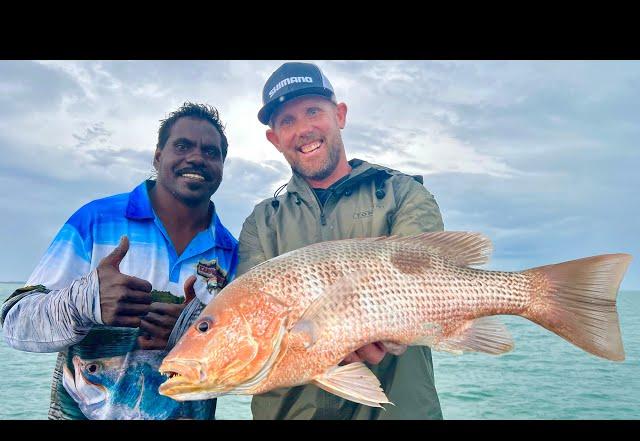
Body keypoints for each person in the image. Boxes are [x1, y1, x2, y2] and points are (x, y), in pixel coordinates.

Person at [0, 102, 238, 420]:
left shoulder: (232, 253)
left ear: (222, 165)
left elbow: (244, 358)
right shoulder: (96, 221)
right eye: (182, 145)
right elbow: (15, 324)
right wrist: (85, 301)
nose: (196, 157)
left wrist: (196, 332)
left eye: (211, 152)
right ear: (157, 156)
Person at [238, 62, 445, 420]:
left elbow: (422, 283)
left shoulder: (404, 194)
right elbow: (253, 322)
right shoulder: (261, 223)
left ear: (340, 115)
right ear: (274, 139)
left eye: (313, 111)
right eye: (287, 121)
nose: (303, 129)